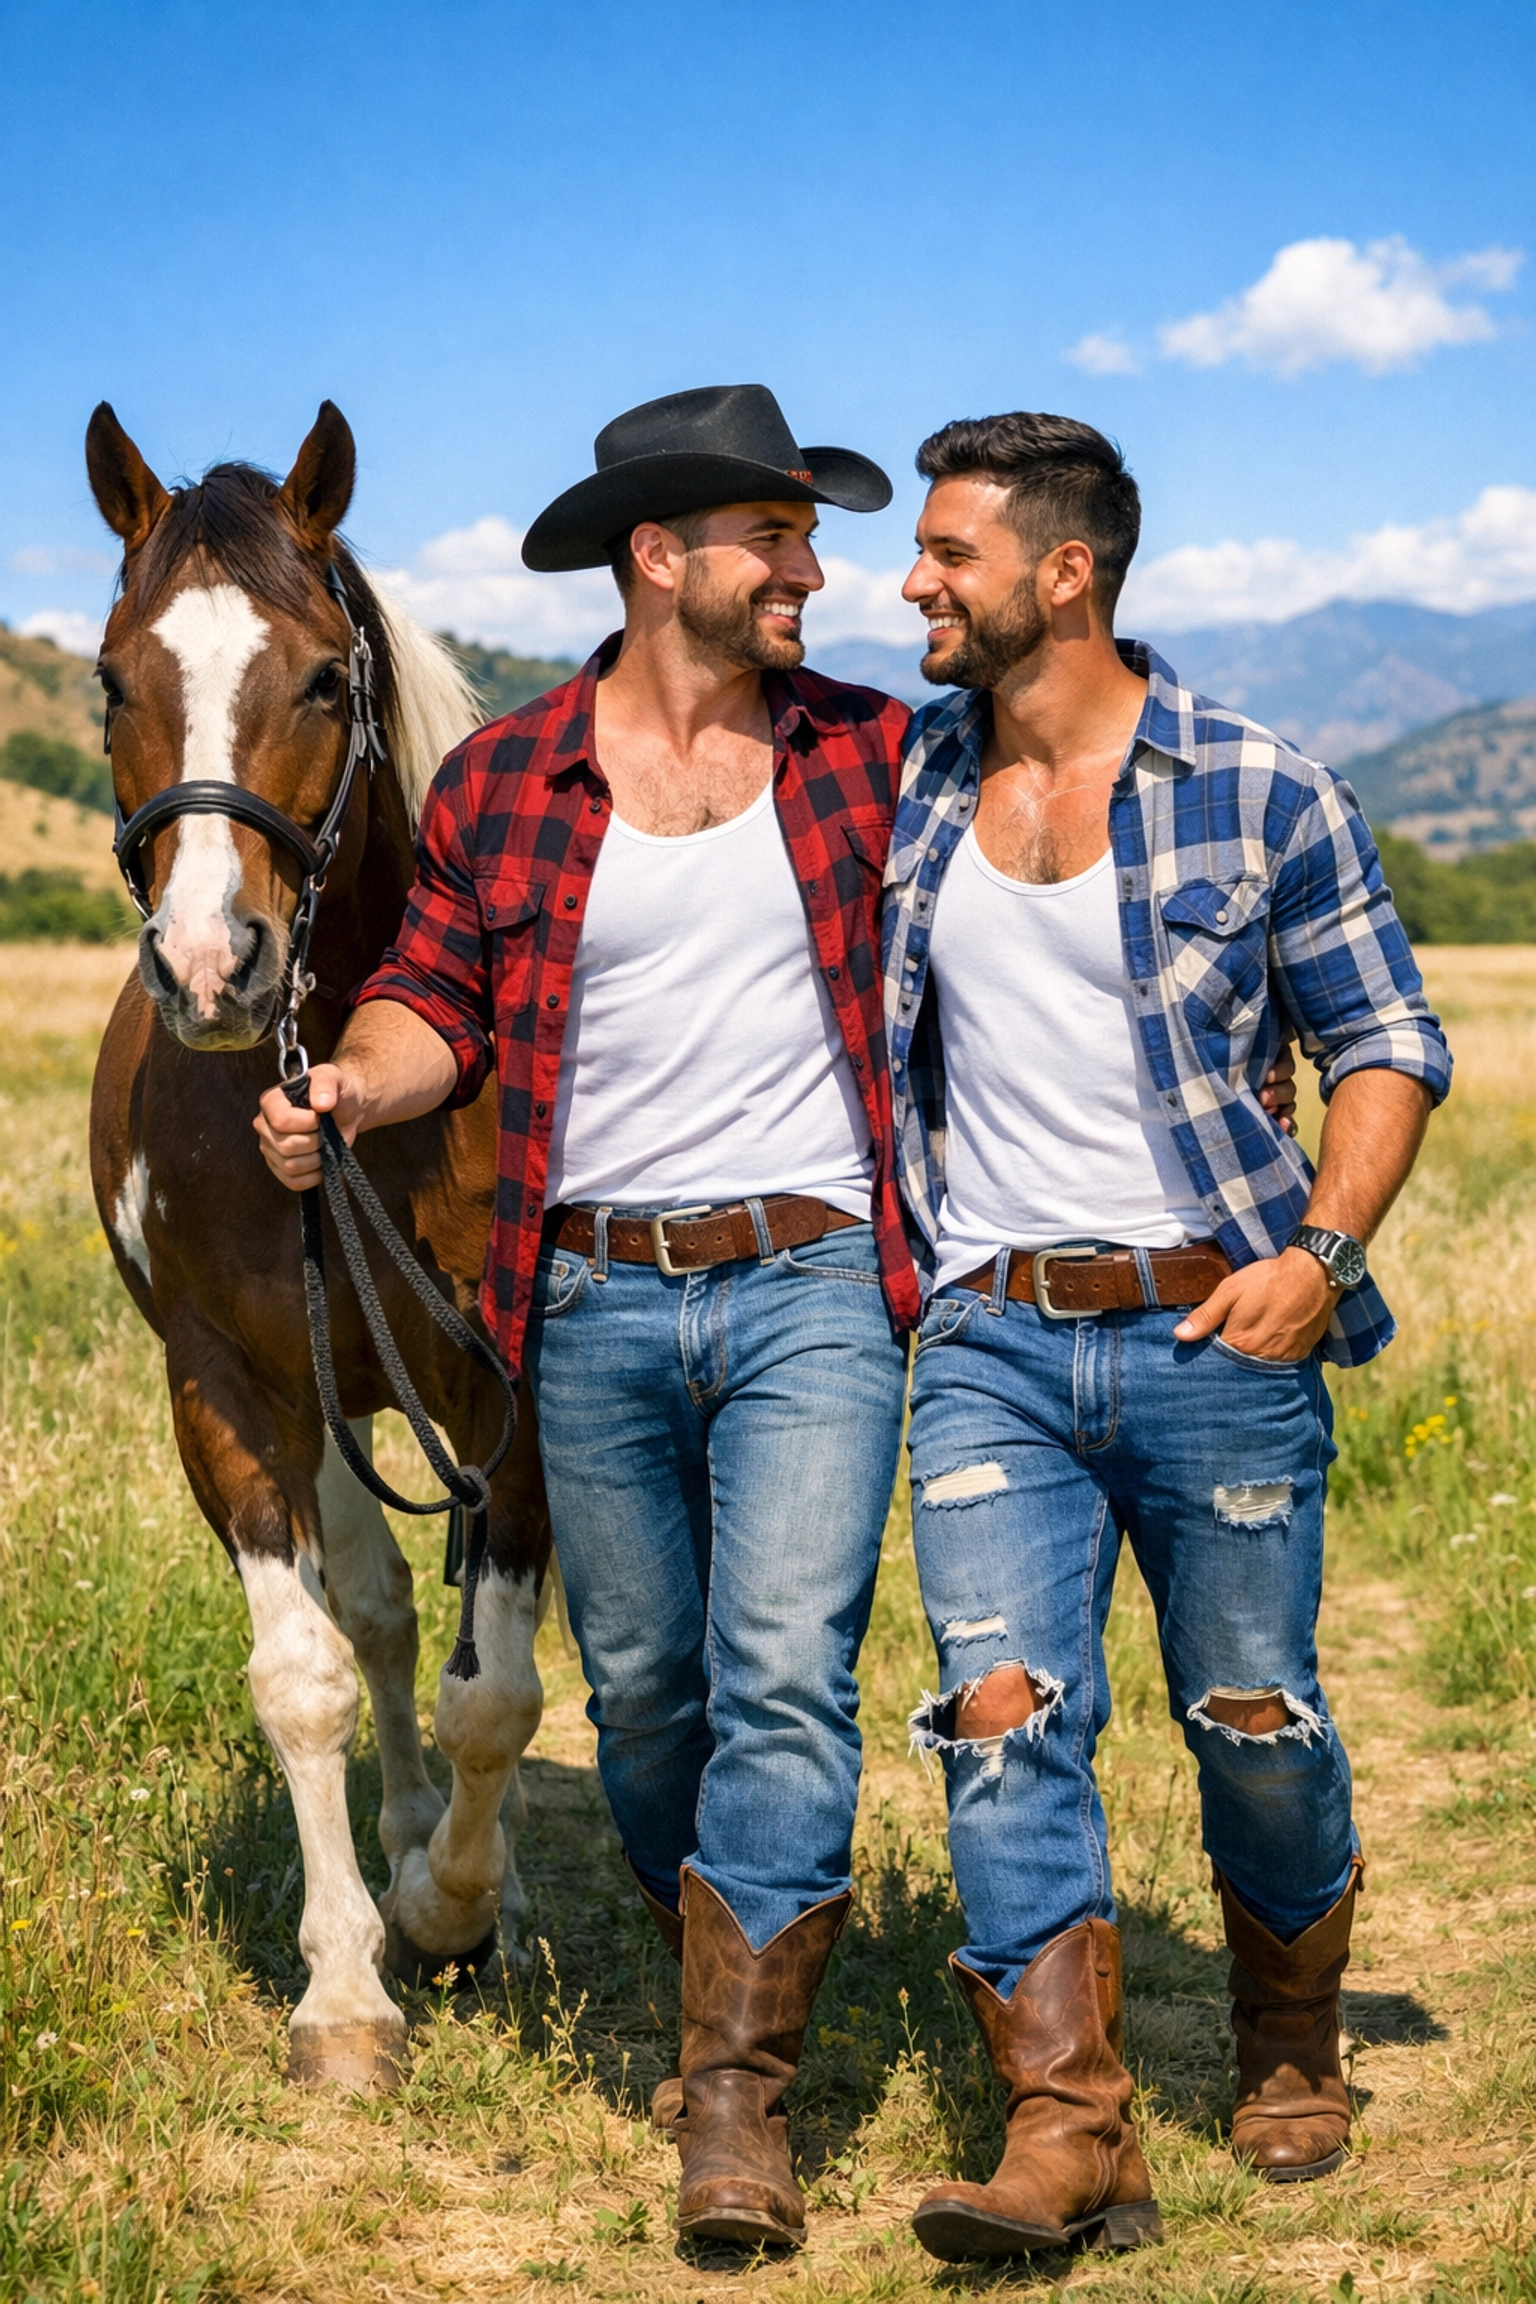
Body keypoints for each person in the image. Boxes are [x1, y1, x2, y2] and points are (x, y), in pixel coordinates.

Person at [255, 384, 921, 2251]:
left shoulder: (873, 754)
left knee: (783, 1671)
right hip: (594, 1296)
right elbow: (430, 1000)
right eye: (774, 536)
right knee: (643, 1697)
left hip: (815, 1276)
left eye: (809, 537)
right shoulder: (506, 780)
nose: (808, 571)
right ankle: (733, 1946)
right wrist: (354, 1086)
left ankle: (735, 2092)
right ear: (658, 556)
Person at [882, 412, 1452, 2264]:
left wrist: (1322, 1252)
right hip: (993, 1333)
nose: (914, 581)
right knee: (999, 1718)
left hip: (1216, 1329)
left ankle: (1289, 2031)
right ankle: (1069, 2125)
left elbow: (1386, 1039)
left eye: (949, 553)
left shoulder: (1264, 786)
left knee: (1253, 1718)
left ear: (1065, 573)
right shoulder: (911, 778)